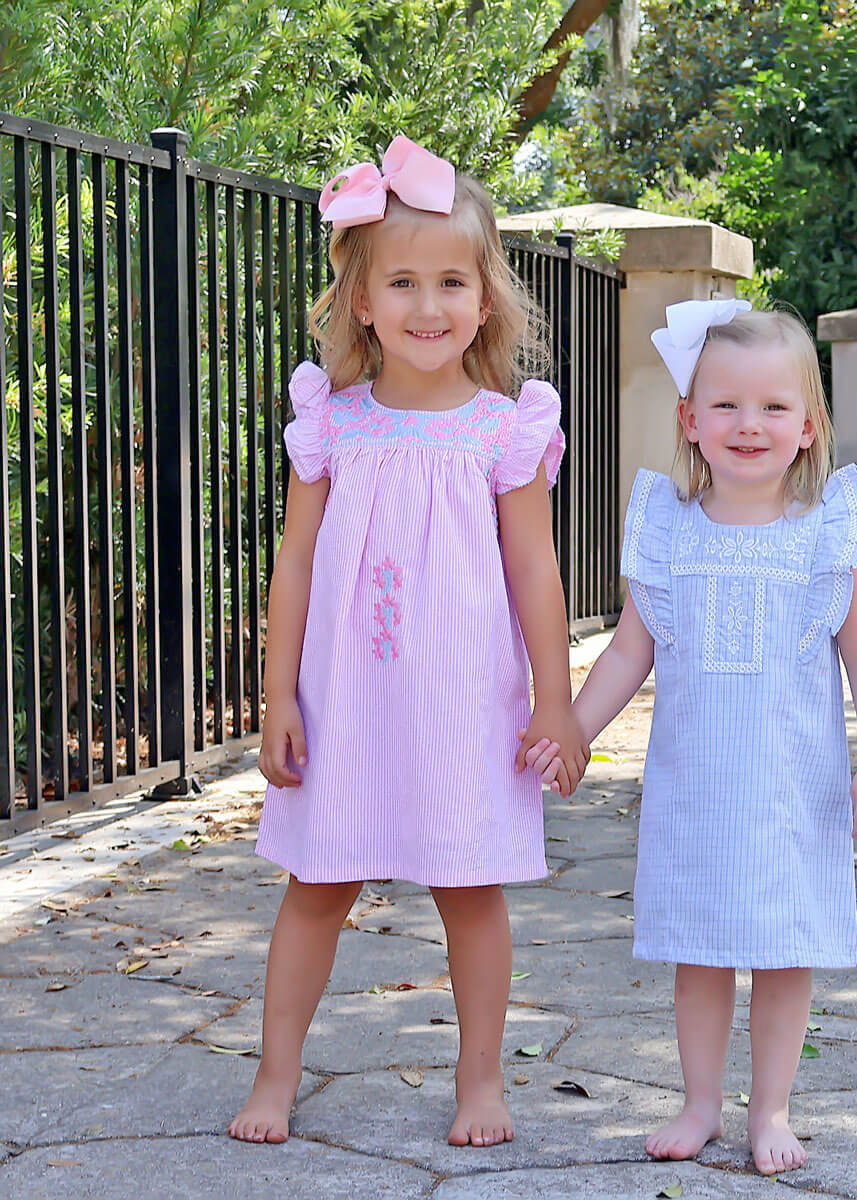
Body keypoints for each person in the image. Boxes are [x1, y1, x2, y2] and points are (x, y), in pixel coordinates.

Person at [228, 135, 589, 1150]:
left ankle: (481, 1083)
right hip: (345, 701)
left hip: (462, 701)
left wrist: (553, 701)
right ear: (362, 302)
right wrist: (280, 698)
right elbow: (294, 565)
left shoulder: (502, 431)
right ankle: (275, 1074)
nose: (428, 307)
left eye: (450, 283)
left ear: (484, 301)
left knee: (469, 891)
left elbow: (535, 572)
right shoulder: (331, 425)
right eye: (402, 283)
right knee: (317, 887)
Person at [526, 300, 857, 1175]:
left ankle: (769, 1109)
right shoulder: (667, 526)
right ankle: (699, 1102)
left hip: (793, 793)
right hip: (697, 792)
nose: (749, 424)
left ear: (808, 426)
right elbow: (628, 650)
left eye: (774, 407)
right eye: (726, 405)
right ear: (690, 420)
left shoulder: (827, 530)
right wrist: (572, 733)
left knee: (783, 953)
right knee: (698, 955)